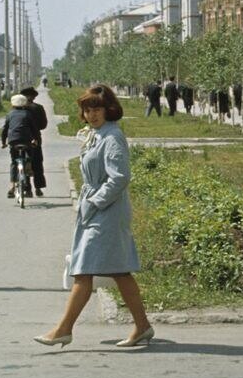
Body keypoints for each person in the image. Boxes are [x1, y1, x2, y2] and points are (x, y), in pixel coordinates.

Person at [35, 85, 154, 349]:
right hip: (96, 210)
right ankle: (142, 325)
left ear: (109, 109)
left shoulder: (112, 137)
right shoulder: (98, 134)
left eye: (97, 109)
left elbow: (119, 177)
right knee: (118, 270)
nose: (92, 114)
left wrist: (95, 201)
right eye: (87, 110)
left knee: (84, 269)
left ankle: (63, 329)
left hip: (106, 212)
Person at [0, 94, 40, 198]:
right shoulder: (27, 114)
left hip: (13, 141)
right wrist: (35, 140)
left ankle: (12, 187)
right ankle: (28, 165)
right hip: (26, 140)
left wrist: (3, 142)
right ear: (24, 104)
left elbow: (5, 130)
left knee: (14, 162)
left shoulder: (10, 114)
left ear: (12, 104)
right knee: (29, 152)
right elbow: (34, 129)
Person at [20, 86, 48, 196]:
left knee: (23, 162)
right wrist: (35, 127)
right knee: (37, 163)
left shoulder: (19, 109)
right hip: (35, 138)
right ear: (33, 97)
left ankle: (27, 189)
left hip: (21, 138)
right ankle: (38, 188)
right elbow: (43, 125)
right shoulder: (39, 108)